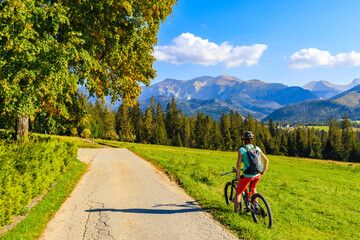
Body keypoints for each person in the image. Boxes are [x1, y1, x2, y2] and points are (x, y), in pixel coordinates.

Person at [234, 131, 269, 212]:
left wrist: (238, 175)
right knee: (253, 188)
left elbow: (238, 165)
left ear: (243, 140)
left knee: (238, 192)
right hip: (257, 174)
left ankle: (236, 212)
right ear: (252, 140)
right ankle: (256, 206)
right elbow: (266, 160)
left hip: (247, 176)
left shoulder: (242, 150)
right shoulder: (257, 148)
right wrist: (263, 171)